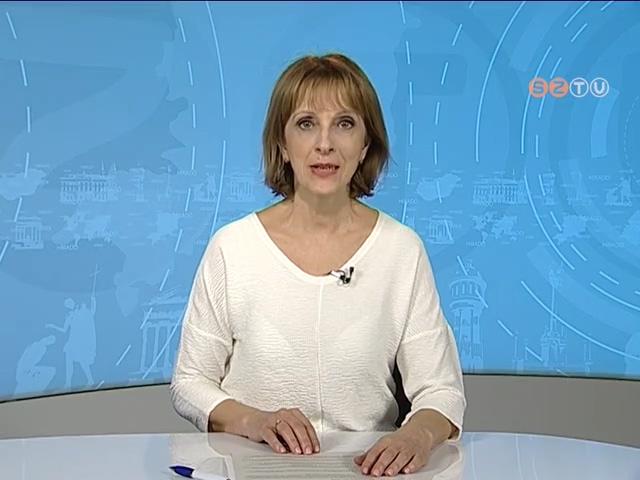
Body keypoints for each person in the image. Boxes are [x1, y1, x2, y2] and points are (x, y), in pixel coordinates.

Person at [171, 53, 466, 477]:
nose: (325, 143)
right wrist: (254, 421)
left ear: (366, 145)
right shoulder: (232, 248)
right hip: (254, 468)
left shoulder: (402, 250)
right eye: (306, 123)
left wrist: (414, 435)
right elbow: (189, 383)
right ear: (282, 144)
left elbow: (442, 392)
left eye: (344, 124)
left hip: (366, 471)